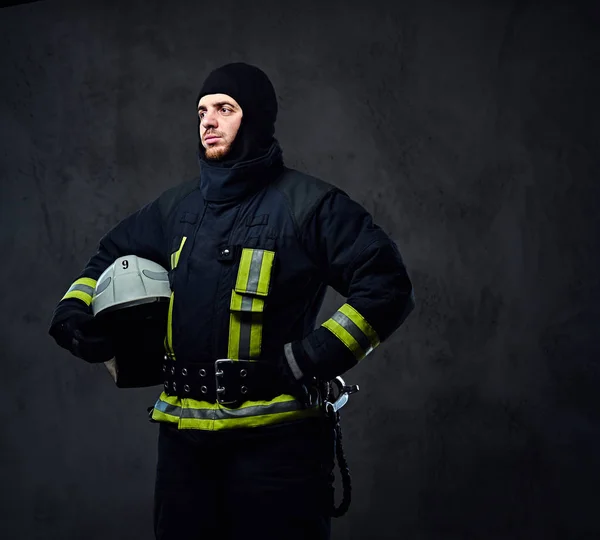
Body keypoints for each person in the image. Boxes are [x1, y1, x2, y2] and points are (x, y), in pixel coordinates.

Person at [48, 62, 416, 540]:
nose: (208, 121)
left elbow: (387, 286)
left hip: (278, 453)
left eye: (225, 108)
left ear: (256, 120)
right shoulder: (174, 208)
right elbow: (112, 253)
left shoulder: (310, 205)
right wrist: (74, 308)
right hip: (183, 453)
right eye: (202, 110)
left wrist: (311, 357)